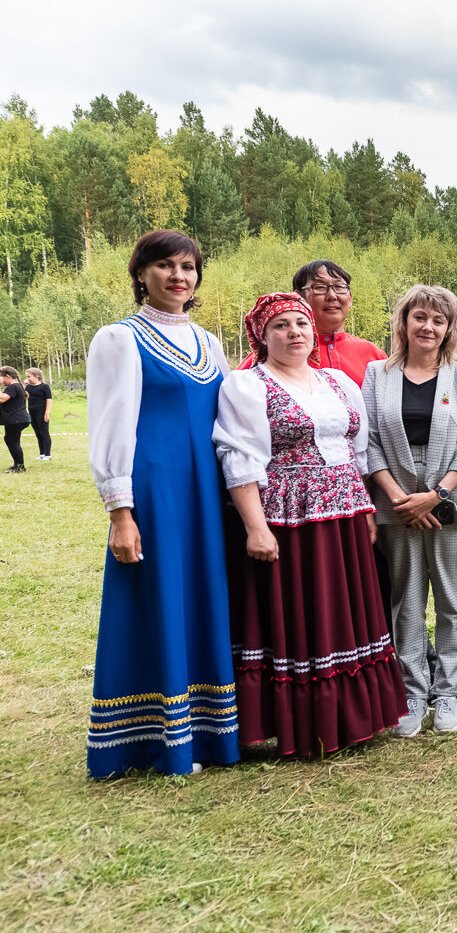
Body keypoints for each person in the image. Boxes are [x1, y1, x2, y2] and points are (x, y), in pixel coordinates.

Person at [214, 292, 405, 760]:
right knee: (300, 612)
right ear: (261, 335)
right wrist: (256, 528)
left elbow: (357, 455)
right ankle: (301, 722)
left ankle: (353, 715)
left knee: (346, 608)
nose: (294, 332)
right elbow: (239, 458)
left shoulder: (338, 381)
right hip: (288, 517)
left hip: (344, 512)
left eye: (300, 322)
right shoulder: (247, 386)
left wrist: (365, 511)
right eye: (280, 325)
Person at [83, 229, 239, 778]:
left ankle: (205, 732)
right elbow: (110, 424)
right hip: (154, 489)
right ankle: (154, 740)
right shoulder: (119, 339)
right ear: (141, 274)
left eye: (189, 267)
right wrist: (120, 511)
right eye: (166, 265)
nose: (179, 276)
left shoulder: (210, 342)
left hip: (204, 492)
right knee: (158, 597)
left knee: (201, 595)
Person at [363, 285, 457, 737]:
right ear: (404, 322)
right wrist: (400, 498)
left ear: (449, 327)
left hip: (450, 502)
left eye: (438, 320)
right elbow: (369, 441)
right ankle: (413, 692)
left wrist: (435, 495)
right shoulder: (377, 373)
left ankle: (448, 693)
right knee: (407, 603)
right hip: (395, 503)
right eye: (420, 317)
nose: (428, 327)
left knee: (453, 601)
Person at [236, 260, 387, 383]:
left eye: (339, 287)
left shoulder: (374, 355)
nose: (332, 296)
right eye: (320, 287)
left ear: (350, 298)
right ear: (299, 298)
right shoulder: (271, 356)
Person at [0, 367, 26, 473]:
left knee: (12, 441)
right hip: (17, 419)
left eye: (1, 377)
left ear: (7, 376)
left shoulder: (13, 387)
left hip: (16, 419)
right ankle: (18, 465)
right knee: (12, 440)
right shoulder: (17, 386)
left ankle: (20, 466)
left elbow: (1, 399)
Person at [24, 369, 52, 461]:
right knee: (38, 433)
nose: (27, 378)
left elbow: (49, 400)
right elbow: (22, 395)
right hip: (32, 412)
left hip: (42, 412)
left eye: (29, 376)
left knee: (44, 433)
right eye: (26, 376)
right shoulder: (28, 387)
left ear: (36, 376)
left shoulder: (44, 387)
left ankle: (48, 455)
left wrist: (47, 413)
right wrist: (24, 385)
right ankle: (42, 454)